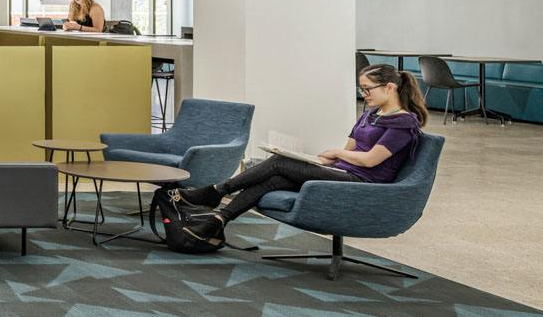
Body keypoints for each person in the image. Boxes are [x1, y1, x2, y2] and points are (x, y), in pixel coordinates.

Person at [176, 63, 427, 242]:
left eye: (367, 89)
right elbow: (350, 148)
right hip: (342, 172)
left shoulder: (403, 123)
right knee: (276, 179)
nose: (363, 94)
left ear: (390, 87)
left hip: (363, 182)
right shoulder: (370, 114)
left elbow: (372, 160)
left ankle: (217, 191)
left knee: (278, 163)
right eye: (361, 89)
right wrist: (328, 158)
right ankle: (219, 218)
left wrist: (337, 153)